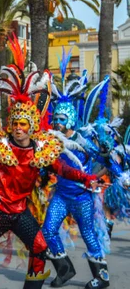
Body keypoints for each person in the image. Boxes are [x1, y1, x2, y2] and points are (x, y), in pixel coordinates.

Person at [0, 35, 102, 289]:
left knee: (40, 246)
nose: (18, 129)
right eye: (15, 124)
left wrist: (86, 177)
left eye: (23, 125)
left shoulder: (40, 151)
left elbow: (62, 169)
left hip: (20, 212)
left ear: (31, 128)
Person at [42, 56, 112, 289]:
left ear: (70, 119)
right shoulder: (52, 140)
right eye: (56, 118)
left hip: (82, 196)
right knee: (48, 231)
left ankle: (102, 278)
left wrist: (95, 177)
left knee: (89, 235)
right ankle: (65, 270)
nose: (58, 122)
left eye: (62, 119)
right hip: (61, 195)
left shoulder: (82, 140)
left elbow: (105, 161)